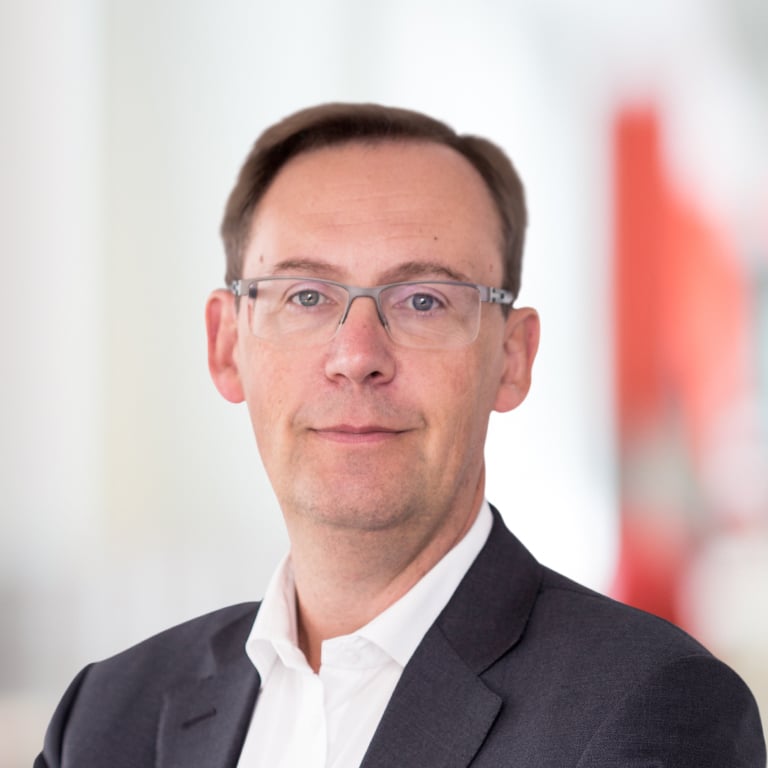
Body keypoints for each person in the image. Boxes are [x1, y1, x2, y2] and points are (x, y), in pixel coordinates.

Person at [36, 103, 765, 767]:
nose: (357, 357)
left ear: (512, 359)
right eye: (307, 296)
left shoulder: (651, 708)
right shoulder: (107, 717)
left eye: (423, 300)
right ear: (228, 346)